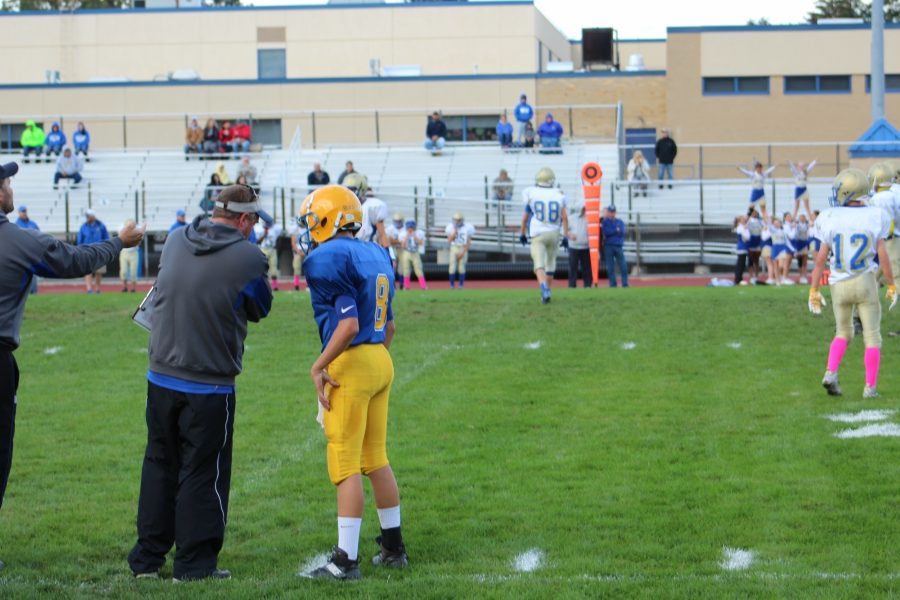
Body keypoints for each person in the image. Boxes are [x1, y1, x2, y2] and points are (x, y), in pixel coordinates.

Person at [0, 163, 144, 566]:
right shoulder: (15, 239)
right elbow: (74, 261)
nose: (10, 188)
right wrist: (120, 242)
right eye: (6, 182)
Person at [127, 184, 272, 582]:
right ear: (244, 219)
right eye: (253, 221)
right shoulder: (248, 257)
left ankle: (147, 558)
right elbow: (260, 306)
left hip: (160, 374)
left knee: (159, 464)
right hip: (208, 383)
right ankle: (193, 564)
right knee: (202, 472)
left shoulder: (176, 239)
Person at [297, 184, 408, 580]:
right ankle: (393, 548)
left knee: (344, 464)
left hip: (352, 360)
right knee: (375, 457)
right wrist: (374, 359)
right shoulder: (376, 251)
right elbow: (389, 323)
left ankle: (345, 561)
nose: (308, 230)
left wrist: (319, 365)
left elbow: (347, 324)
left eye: (311, 221)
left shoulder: (327, 256)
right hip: (380, 357)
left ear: (326, 219)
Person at [809, 168, 896, 399]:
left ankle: (831, 372)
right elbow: (883, 255)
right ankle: (870, 387)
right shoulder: (874, 215)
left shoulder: (829, 216)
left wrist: (814, 289)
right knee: (872, 336)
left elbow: (819, 260)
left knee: (843, 332)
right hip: (864, 281)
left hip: (838, 284)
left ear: (848, 191)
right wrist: (891, 284)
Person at [520, 167, 568, 303]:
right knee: (550, 263)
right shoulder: (559, 194)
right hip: (554, 232)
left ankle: (544, 288)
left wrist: (522, 233)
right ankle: (547, 292)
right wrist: (565, 236)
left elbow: (524, 218)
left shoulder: (531, 193)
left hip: (538, 233)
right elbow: (564, 217)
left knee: (538, 264)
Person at [867, 162, 900, 288]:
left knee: (894, 267)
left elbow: (888, 220)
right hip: (893, 236)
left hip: (889, 237)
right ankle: (871, 286)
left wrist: (888, 234)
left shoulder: (882, 196)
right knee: (888, 265)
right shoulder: (894, 191)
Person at [346, 173, 389, 249]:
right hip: (350, 248)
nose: (350, 192)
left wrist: (388, 252)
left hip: (367, 249)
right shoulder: (344, 207)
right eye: (348, 189)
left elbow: (382, 234)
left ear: (362, 189)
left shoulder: (372, 206)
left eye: (353, 189)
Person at [77, 209, 110, 293]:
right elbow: (80, 239)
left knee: (99, 271)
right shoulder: (83, 227)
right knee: (88, 271)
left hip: (99, 251)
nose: (87, 218)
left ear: (93, 216)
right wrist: (79, 250)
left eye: (88, 216)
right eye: (86, 216)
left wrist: (105, 249)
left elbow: (106, 238)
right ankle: (89, 289)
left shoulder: (101, 226)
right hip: (86, 251)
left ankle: (98, 288)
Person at [254, 211, 282, 292]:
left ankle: (275, 286)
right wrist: (264, 234)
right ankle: (262, 285)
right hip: (263, 249)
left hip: (272, 249)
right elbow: (257, 241)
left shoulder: (275, 228)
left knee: (273, 268)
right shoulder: (259, 229)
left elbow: (278, 237)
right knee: (262, 268)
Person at [15, 206, 40, 295]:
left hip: (32, 252)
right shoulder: (16, 224)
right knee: (22, 273)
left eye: (25, 211)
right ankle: (23, 292)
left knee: (33, 272)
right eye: (22, 212)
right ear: (19, 213)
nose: (24, 213)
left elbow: (39, 236)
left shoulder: (33, 224)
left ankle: (34, 292)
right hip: (22, 253)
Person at [601, 206, 628, 288]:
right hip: (609, 246)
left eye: (613, 212)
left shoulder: (620, 221)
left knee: (623, 266)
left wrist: (613, 231)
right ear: (608, 212)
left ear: (615, 212)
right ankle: (613, 284)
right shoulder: (605, 222)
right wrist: (615, 230)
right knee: (610, 266)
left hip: (618, 245)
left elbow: (622, 232)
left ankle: (625, 283)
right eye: (610, 212)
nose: (612, 213)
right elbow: (606, 232)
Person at [567, 202, 592, 288]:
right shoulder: (571, 218)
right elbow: (564, 229)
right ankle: (572, 285)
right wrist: (569, 234)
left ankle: (588, 284)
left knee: (587, 268)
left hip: (585, 246)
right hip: (574, 246)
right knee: (573, 267)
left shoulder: (589, 219)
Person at [446, 213, 474, 289]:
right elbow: (449, 240)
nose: (457, 222)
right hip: (454, 247)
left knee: (461, 267)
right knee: (452, 267)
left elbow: (468, 242)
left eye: (458, 220)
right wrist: (454, 232)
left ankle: (461, 285)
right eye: (455, 220)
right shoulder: (451, 227)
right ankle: (451, 285)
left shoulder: (467, 227)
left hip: (462, 247)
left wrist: (463, 252)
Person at [398, 219, 427, 290]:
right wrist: (407, 236)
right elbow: (402, 245)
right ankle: (406, 286)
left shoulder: (419, 233)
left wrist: (415, 236)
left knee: (418, 269)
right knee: (406, 270)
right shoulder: (403, 233)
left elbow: (421, 243)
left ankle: (423, 286)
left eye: (411, 227)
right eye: (409, 227)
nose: (410, 229)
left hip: (415, 252)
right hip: (406, 252)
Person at [288, 213, 308, 291]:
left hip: (307, 250)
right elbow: (293, 242)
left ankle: (308, 285)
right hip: (298, 251)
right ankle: (296, 286)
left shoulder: (308, 228)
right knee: (297, 269)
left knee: (308, 269)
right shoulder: (295, 229)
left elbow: (312, 241)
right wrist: (298, 251)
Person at [119, 219, 139, 293]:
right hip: (124, 252)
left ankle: (133, 288)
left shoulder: (137, 232)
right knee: (123, 271)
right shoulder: (122, 232)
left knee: (133, 272)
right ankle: (125, 287)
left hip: (133, 253)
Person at [733, 214, 750, 285]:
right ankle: (738, 279)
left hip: (744, 247)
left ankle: (739, 278)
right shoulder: (740, 227)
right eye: (743, 219)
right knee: (740, 264)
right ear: (740, 221)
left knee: (742, 264)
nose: (745, 220)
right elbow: (746, 237)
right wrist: (746, 229)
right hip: (741, 247)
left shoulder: (742, 227)